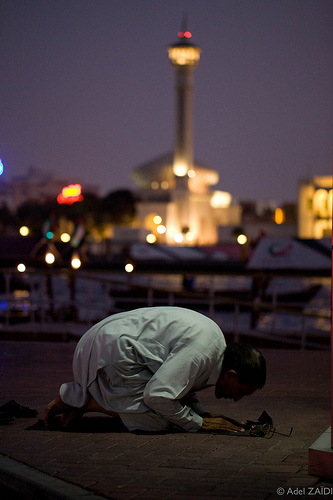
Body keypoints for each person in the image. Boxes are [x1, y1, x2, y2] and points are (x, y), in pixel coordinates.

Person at [44, 306, 266, 433]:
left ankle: (89, 395)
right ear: (231, 375)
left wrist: (203, 414)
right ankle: (83, 400)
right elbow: (157, 395)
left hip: (101, 343)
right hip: (110, 353)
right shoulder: (201, 352)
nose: (237, 399)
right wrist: (198, 423)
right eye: (242, 392)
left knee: (173, 413)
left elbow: (181, 384)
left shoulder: (214, 343)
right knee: (161, 421)